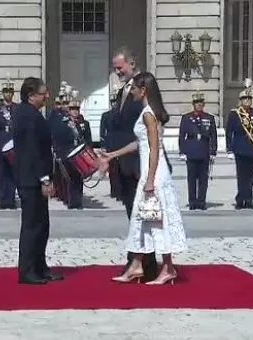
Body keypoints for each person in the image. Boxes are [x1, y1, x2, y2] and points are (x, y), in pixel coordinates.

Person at [99, 71, 187, 284]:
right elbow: (140, 143)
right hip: (151, 169)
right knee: (146, 217)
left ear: (143, 90)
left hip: (154, 172)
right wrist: (113, 154)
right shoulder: (148, 112)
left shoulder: (148, 113)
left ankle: (167, 268)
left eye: (135, 89)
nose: (132, 92)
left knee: (155, 217)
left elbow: (155, 148)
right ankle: (140, 265)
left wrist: (150, 179)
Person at [109, 47, 158, 281]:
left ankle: (144, 263)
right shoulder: (123, 91)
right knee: (133, 214)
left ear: (131, 63)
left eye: (119, 67)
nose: (117, 71)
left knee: (143, 215)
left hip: (138, 162)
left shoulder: (143, 89)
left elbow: (148, 129)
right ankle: (140, 262)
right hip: (123, 162)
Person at [12, 77, 63, 285]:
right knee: (32, 226)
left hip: (33, 177)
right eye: (44, 93)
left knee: (42, 225)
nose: (47, 96)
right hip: (31, 179)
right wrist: (44, 179)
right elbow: (33, 150)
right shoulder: (28, 116)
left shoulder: (31, 114)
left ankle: (40, 266)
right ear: (31, 95)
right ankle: (28, 270)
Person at [178, 89, 217, 210]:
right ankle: (192, 202)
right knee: (191, 179)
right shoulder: (186, 118)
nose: (199, 104)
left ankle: (201, 201)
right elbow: (182, 136)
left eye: (201, 102)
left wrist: (213, 151)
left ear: (204, 104)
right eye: (197, 102)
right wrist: (182, 151)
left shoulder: (209, 118)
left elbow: (213, 136)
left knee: (203, 179)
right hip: (191, 151)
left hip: (204, 151)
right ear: (193, 104)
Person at [226, 79, 253, 209]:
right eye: (245, 99)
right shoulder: (235, 114)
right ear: (240, 101)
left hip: (252, 148)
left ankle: (249, 199)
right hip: (240, 148)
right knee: (241, 176)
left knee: (251, 176)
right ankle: (240, 200)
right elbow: (229, 132)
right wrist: (229, 149)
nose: (247, 101)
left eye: (249, 99)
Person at [0, 78, 17, 209]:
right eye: (6, 92)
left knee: (12, 174)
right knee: (1, 174)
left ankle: (11, 200)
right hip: (0, 144)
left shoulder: (17, 109)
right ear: (3, 93)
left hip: (13, 145)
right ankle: (2, 200)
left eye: (10, 92)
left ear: (13, 93)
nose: (8, 94)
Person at [100, 90, 120, 200]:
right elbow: (102, 132)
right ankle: (114, 191)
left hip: (121, 145)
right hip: (110, 144)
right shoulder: (106, 115)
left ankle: (121, 191)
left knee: (121, 169)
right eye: (112, 102)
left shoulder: (123, 114)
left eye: (115, 101)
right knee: (112, 170)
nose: (114, 104)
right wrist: (103, 146)